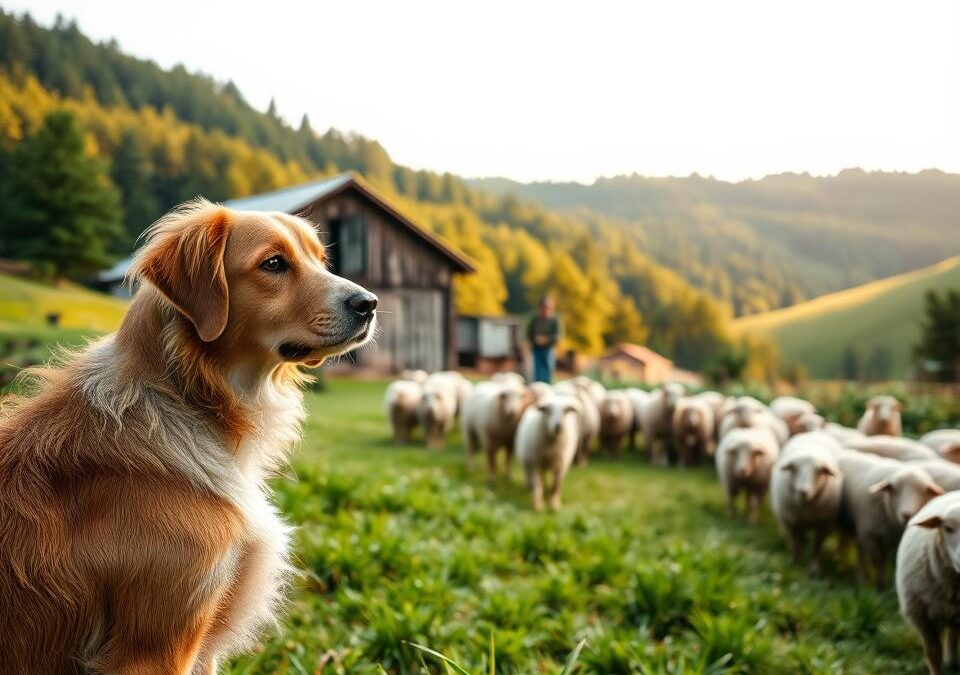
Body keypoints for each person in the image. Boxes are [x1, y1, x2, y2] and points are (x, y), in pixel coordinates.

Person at [528, 295, 561, 383]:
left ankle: (548, 385)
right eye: (544, 307)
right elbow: (530, 333)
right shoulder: (535, 319)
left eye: (549, 308)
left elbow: (557, 337)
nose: (546, 310)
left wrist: (545, 339)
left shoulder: (555, 320)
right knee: (537, 370)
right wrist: (535, 340)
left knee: (548, 369)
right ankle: (537, 384)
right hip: (537, 348)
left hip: (548, 348)